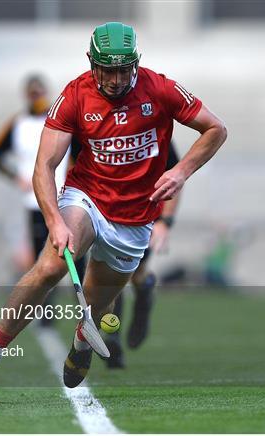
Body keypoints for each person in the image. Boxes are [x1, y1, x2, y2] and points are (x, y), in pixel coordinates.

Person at [0, 22, 227, 388]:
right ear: (91, 61)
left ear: (136, 63)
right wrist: (55, 221)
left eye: (123, 69)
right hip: (87, 197)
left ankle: (81, 343)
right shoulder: (75, 96)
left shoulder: (161, 89)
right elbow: (44, 167)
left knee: (97, 306)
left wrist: (180, 172)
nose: (115, 79)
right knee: (50, 267)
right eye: (107, 69)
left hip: (135, 218)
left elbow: (216, 129)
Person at [69, 136, 182, 368]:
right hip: (102, 211)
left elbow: (176, 176)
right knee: (110, 274)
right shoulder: (89, 125)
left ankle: (144, 295)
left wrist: (166, 221)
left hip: (142, 215)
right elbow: (73, 168)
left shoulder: (151, 126)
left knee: (134, 274)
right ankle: (113, 338)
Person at [0, 75, 77, 325]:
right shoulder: (18, 122)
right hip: (36, 200)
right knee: (43, 257)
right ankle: (48, 311)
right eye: (32, 93)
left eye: (40, 92)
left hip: (68, 197)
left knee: (78, 254)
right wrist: (16, 177)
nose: (37, 97)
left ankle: (83, 309)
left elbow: (79, 150)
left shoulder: (60, 117)